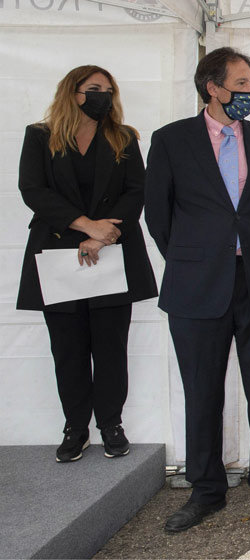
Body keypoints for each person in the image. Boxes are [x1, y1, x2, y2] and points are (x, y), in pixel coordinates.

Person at [144, 47, 250, 533]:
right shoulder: (171, 141)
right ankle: (205, 490)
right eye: (243, 83)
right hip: (195, 286)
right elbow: (158, 216)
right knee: (202, 393)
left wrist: (237, 250)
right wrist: (195, 257)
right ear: (213, 87)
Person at [17, 65, 158, 464]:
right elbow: (33, 190)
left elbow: (137, 191)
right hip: (57, 255)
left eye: (108, 90)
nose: (103, 96)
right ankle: (75, 428)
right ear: (72, 91)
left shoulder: (124, 137)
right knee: (68, 348)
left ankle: (110, 424)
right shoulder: (40, 136)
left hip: (111, 251)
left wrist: (101, 235)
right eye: (94, 88)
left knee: (111, 346)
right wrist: (85, 226)